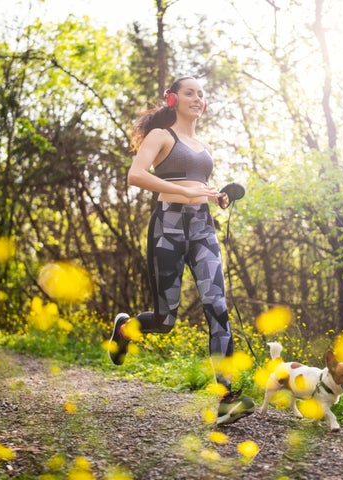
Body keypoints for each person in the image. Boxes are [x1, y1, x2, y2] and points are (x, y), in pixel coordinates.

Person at [109, 76, 255, 425]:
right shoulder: (162, 136)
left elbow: (197, 187)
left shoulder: (204, 148)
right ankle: (125, 329)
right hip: (168, 227)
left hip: (202, 227)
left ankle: (226, 398)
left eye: (201, 94)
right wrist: (187, 193)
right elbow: (135, 175)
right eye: (190, 92)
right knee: (165, 320)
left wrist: (216, 196)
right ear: (172, 99)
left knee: (217, 307)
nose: (197, 98)